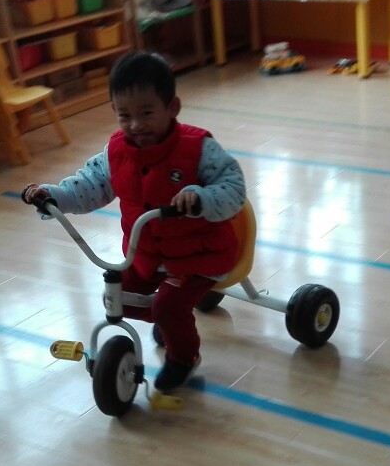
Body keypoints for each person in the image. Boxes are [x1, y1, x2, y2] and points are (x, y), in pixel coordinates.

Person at [23, 51, 246, 392]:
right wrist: (57, 196)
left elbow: (234, 189)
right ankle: (171, 321)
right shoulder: (116, 153)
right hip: (146, 255)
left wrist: (200, 198)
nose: (135, 125)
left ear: (172, 107)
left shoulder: (199, 149)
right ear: (114, 110)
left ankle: (184, 357)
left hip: (200, 256)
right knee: (117, 298)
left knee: (168, 306)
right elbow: (90, 185)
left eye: (146, 113)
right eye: (124, 115)